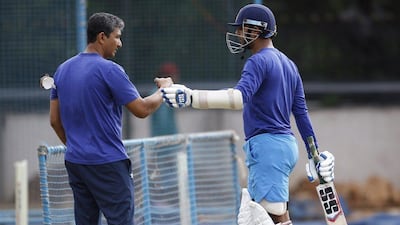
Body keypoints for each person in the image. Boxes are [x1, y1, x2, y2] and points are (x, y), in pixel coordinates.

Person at [161, 4, 335, 225]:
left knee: (270, 218)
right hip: (284, 147)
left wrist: (191, 97)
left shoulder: (258, 60)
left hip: (267, 149)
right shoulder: (290, 65)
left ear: (256, 29)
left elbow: (237, 98)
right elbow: (301, 113)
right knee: (269, 216)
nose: (237, 34)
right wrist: (313, 153)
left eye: (242, 29)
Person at [48, 12, 172, 225]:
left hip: (76, 162)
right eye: (117, 36)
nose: (120, 43)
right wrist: (163, 90)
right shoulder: (109, 70)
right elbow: (141, 109)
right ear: (102, 37)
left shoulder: (62, 70)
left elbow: (54, 121)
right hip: (107, 163)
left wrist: (77, 147)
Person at [150, 62, 180, 136]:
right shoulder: (164, 92)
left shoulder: (155, 91)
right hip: (165, 139)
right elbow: (163, 119)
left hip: (159, 137)